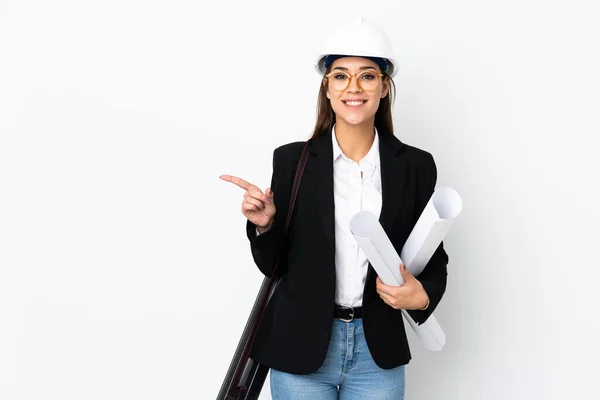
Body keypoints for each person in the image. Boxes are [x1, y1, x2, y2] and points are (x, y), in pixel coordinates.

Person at [220, 16, 448, 400]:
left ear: (384, 87)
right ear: (326, 88)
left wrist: (421, 296)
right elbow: (274, 266)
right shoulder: (294, 160)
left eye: (367, 76)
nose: (353, 87)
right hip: (302, 349)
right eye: (340, 76)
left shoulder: (415, 166)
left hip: (377, 354)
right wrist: (265, 226)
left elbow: (433, 257)